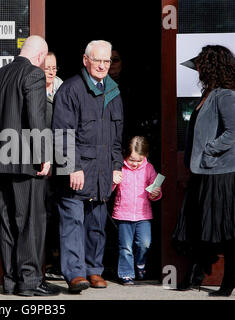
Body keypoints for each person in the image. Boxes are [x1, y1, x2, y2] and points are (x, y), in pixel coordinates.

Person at [0, 35, 59, 297]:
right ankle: (30, 281)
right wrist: (44, 157)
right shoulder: (33, 75)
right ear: (40, 57)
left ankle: (11, 281)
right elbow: (36, 120)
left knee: (7, 222)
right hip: (25, 164)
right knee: (30, 222)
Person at [52, 40, 124, 293]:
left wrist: (117, 166)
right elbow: (62, 133)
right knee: (72, 222)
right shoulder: (71, 89)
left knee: (96, 223)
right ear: (85, 60)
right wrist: (72, 166)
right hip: (77, 170)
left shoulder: (113, 90)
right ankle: (75, 273)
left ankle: (94, 269)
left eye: (107, 61)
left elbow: (117, 135)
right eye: (98, 61)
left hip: (103, 171)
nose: (103, 66)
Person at [172, 45, 235, 297]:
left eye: (200, 64)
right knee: (197, 225)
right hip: (202, 172)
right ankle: (195, 273)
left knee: (226, 230)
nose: (197, 69)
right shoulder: (208, 94)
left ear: (210, 66)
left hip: (221, 174)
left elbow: (233, 132)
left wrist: (209, 149)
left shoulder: (225, 95)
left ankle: (228, 282)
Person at [112, 136, 162, 285]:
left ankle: (140, 264)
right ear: (125, 154)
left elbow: (155, 188)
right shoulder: (119, 167)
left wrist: (155, 193)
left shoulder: (149, 168)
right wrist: (113, 182)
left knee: (144, 243)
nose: (134, 163)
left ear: (145, 156)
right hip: (123, 213)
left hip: (143, 214)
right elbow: (109, 190)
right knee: (125, 247)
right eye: (131, 159)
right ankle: (126, 274)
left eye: (138, 160)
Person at [41, 52, 64, 280]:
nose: (51, 71)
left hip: (60, 161)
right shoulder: (34, 90)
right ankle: (45, 259)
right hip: (42, 163)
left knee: (59, 212)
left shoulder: (63, 91)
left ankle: (58, 260)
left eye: (54, 67)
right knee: (44, 213)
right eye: (47, 67)